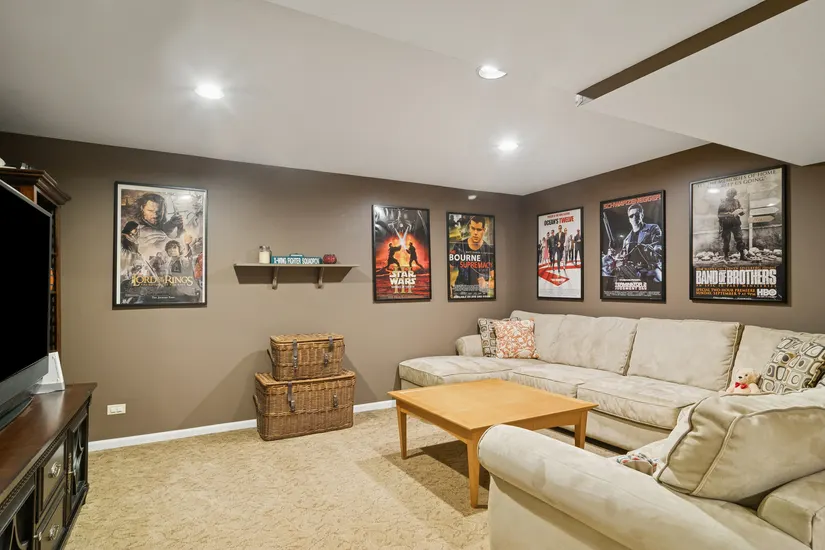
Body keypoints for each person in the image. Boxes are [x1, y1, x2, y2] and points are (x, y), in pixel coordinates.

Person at [449, 216, 494, 296]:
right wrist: (449, 286)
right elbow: (448, 270)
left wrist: (487, 284)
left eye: (479, 229)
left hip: (481, 295)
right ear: (469, 228)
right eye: (473, 228)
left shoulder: (489, 251)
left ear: (484, 230)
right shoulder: (459, 246)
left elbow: (496, 280)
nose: (475, 233)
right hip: (460, 293)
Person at [620, 203, 663, 282]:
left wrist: (654, 249)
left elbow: (659, 246)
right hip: (635, 275)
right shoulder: (626, 240)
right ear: (629, 219)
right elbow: (625, 258)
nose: (634, 217)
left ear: (642, 215)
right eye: (631, 216)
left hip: (651, 272)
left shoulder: (653, 228)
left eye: (637, 215)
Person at [718, 188, 748, 262]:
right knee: (726, 240)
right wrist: (726, 214)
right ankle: (726, 255)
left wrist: (741, 211)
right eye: (730, 194)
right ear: (727, 194)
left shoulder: (737, 201)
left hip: (736, 224)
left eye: (733, 194)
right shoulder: (723, 202)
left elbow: (741, 212)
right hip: (726, 224)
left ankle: (742, 255)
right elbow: (719, 215)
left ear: (735, 194)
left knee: (740, 239)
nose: (731, 195)